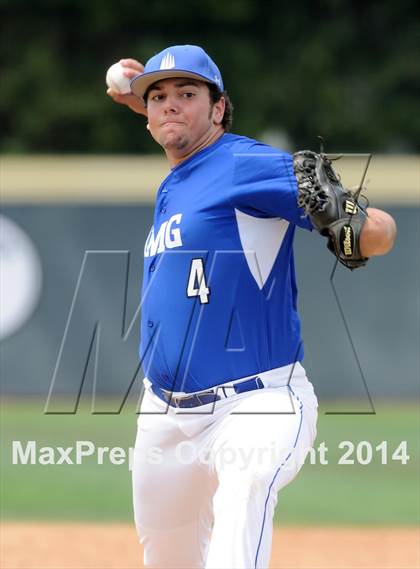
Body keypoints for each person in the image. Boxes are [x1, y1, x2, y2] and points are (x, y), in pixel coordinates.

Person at [107, 45, 396, 569]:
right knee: (167, 556)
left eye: (188, 94)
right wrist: (150, 100)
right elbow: (178, 131)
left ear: (219, 109)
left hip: (255, 406)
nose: (170, 105)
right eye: (159, 98)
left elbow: (379, 232)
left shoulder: (244, 163)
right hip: (165, 416)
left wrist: (356, 223)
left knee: (241, 509)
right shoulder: (182, 175)